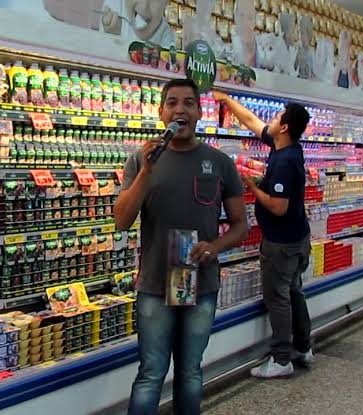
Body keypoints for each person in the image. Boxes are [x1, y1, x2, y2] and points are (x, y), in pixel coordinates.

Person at [115, 79, 248, 414]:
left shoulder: (220, 163)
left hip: (200, 283)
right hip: (155, 284)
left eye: (189, 103)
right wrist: (147, 169)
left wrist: (215, 247)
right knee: (151, 373)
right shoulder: (140, 159)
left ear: (200, 112)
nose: (180, 109)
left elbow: (240, 224)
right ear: (161, 112)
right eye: (172, 102)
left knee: (190, 372)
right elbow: (121, 220)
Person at [212, 91, 313, 378]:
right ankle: (303, 346)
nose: (271, 118)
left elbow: (279, 207)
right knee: (294, 290)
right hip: (297, 238)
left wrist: (252, 188)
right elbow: (251, 121)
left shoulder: (284, 161)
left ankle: (282, 359)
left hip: (282, 243)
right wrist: (225, 100)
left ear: (284, 127)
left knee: (278, 297)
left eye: (277, 116)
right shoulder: (286, 146)